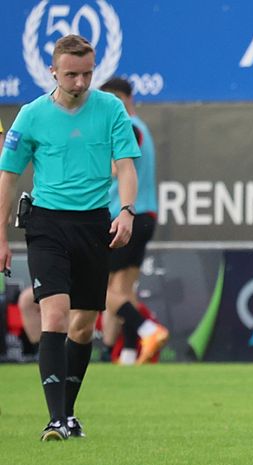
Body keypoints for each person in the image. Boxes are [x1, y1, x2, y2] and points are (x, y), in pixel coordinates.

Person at [0, 35, 140, 441]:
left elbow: (126, 166)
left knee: (83, 326)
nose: (80, 82)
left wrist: (126, 211)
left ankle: (68, 413)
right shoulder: (31, 115)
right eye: (71, 74)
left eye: (87, 74)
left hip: (94, 224)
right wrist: (1, 238)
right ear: (53, 72)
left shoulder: (110, 109)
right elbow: (8, 177)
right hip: (46, 224)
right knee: (55, 315)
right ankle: (55, 419)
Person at [99, 77, 168, 365]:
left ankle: (148, 329)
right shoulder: (142, 128)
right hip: (144, 215)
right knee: (124, 291)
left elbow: (116, 169)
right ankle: (127, 354)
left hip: (128, 216)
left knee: (97, 288)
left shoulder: (128, 126)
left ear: (124, 98)